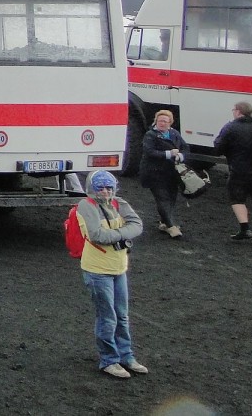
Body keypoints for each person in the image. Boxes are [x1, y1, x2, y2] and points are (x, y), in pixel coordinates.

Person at [75, 170, 146, 378]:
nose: (105, 192)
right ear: (92, 189)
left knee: (121, 316)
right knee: (108, 317)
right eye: (100, 188)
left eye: (109, 188)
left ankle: (126, 357)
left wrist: (115, 237)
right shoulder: (85, 206)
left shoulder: (119, 203)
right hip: (97, 271)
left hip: (118, 268)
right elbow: (97, 235)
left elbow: (138, 225)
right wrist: (124, 236)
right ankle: (109, 360)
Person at [213, 100, 252, 244]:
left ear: (238, 111)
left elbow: (218, 148)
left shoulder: (231, 127)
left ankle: (245, 229)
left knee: (237, 200)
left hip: (238, 173)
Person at [139, 110, 188, 238]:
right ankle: (171, 226)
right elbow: (149, 152)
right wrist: (169, 154)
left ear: (170, 123)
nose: (162, 123)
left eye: (165, 121)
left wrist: (180, 156)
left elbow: (185, 148)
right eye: (160, 120)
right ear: (156, 121)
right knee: (162, 198)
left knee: (171, 198)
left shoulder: (174, 133)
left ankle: (164, 222)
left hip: (171, 173)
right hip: (154, 173)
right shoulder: (150, 135)